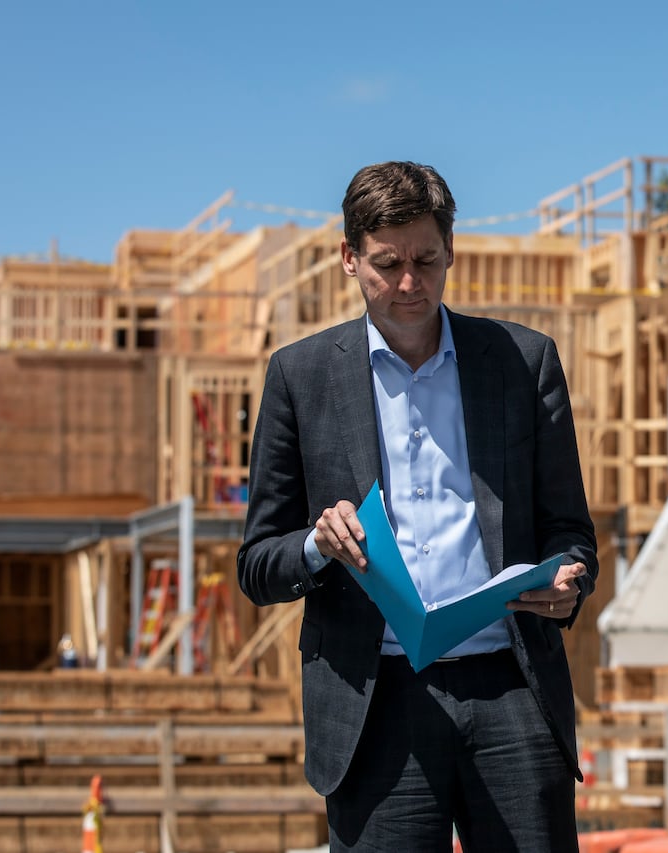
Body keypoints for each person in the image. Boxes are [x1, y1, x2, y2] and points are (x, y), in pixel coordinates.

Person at [237, 161, 599, 852]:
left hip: (512, 694)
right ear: (348, 257)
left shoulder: (524, 361)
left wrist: (568, 581)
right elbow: (258, 562)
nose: (409, 282)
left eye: (426, 260)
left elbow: (570, 532)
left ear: (451, 251)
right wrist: (318, 544)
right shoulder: (300, 375)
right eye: (387, 263)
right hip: (375, 706)